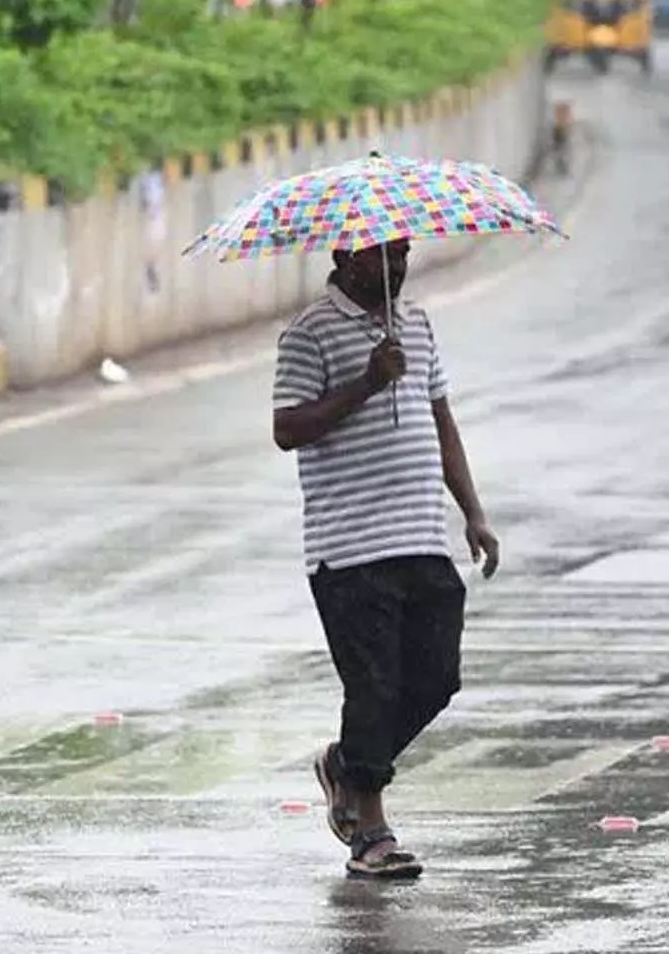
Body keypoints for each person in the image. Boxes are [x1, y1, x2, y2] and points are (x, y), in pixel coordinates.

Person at [272, 238, 500, 881]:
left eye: (403, 254)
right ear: (345, 258)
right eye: (381, 258)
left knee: (436, 679)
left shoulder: (419, 324)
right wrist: (366, 383)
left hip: (422, 536)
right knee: (372, 686)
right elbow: (287, 429)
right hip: (348, 549)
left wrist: (473, 512)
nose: (397, 268)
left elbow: (441, 420)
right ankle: (371, 833)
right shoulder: (308, 334)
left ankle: (347, 765)